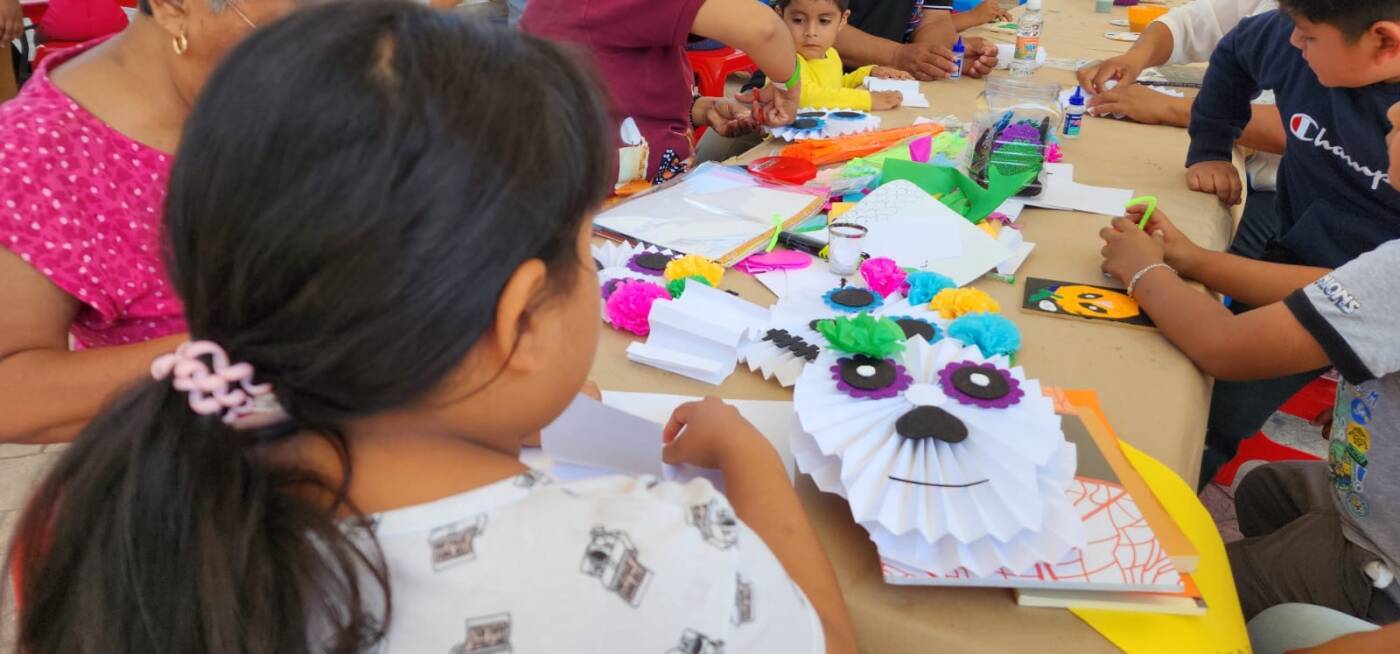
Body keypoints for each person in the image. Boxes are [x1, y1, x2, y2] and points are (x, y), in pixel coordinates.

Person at [5, 5, 858, 653]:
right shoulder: (668, 551)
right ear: (519, 317)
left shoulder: (137, 514)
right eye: (587, 254)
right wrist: (751, 466)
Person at [1097, 97, 1400, 624]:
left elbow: (1225, 347)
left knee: (1162, 598)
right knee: (1264, 491)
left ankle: (1345, 605)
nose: (1391, 113)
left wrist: (1144, 274)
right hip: (1375, 495)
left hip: (1384, 562)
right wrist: (1194, 259)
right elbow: (1327, 288)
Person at [0, 0, 298, 445]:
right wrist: (249, 356)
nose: (318, 62)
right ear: (174, 7)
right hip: (197, 478)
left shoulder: (277, 89)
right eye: (287, 36)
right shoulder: (40, 151)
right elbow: (12, 396)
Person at [1180, 0, 1400, 487]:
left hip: (1377, 296)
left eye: (1306, 35)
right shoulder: (1303, 36)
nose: (1293, 42)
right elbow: (1237, 51)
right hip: (1305, 252)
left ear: (1384, 42)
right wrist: (1212, 146)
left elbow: (1225, 346)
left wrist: (1172, 263)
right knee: (1213, 406)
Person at [1075, 0, 1284, 263]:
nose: (1296, 40)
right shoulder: (1275, 19)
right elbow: (1191, 24)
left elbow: (1293, 128)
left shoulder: (1331, 29)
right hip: (1261, 177)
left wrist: (1170, 108)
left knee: (1171, 249)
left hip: (1287, 197)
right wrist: (1136, 57)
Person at [522, 0, 803, 188]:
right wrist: (786, 88)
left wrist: (696, 109)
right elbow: (764, 30)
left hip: (622, 198)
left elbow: (610, 84)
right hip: (621, 216)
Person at [775, 0, 913, 111]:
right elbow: (805, 96)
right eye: (798, 20)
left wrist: (868, 72)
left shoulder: (831, 53)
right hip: (784, 141)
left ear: (843, 20)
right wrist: (869, 100)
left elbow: (833, 87)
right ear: (780, 17)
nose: (811, 32)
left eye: (823, 21)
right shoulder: (785, 58)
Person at [837, 0, 998, 80]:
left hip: (888, 85)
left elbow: (934, 19)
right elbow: (816, 24)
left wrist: (945, 58)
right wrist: (896, 55)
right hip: (826, 85)